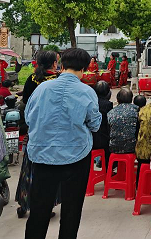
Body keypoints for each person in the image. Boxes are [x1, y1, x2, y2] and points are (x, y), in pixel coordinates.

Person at [24, 47, 102, 239]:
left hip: (42, 156)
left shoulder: (42, 89)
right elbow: (95, 124)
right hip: (76, 157)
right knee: (71, 211)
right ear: (84, 68)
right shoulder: (87, 92)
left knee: (39, 210)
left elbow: (28, 118)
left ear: (61, 65)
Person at [16, 50, 60, 219]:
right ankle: (45, 206)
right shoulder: (57, 80)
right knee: (49, 171)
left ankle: (23, 204)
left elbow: (26, 103)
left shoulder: (31, 79)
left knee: (29, 168)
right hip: (52, 132)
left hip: (33, 130)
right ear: (54, 63)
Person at [108, 88, 139, 154]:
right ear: (131, 99)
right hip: (132, 147)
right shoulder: (136, 110)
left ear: (117, 99)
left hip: (114, 148)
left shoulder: (111, 113)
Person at [93, 81, 113, 166]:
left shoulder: (91, 102)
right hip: (103, 139)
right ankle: (106, 165)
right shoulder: (108, 104)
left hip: (91, 138)